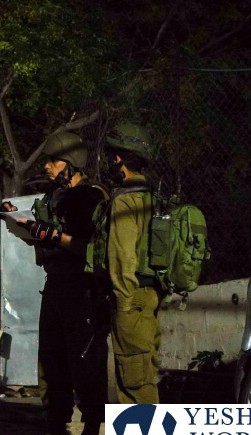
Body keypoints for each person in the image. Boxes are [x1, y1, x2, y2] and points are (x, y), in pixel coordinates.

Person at [3, 132, 108, 435]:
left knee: (86, 365)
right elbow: (46, 237)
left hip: (83, 289)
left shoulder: (93, 198)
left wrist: (52, 234)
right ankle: (55, 433)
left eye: (53, 161)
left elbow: (91, 248)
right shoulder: (53, 197)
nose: (47, 167)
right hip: (55, 285)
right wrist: (23, 224)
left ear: (72, 163)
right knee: (50, 363)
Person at [103, 122, 161, 404]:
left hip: (131, 297)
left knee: (133, 383)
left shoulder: (124, 200)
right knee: (144, 373)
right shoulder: (153, 198)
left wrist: (123, 304)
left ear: (119, 159)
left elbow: (122, 256)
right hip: (150, 296)